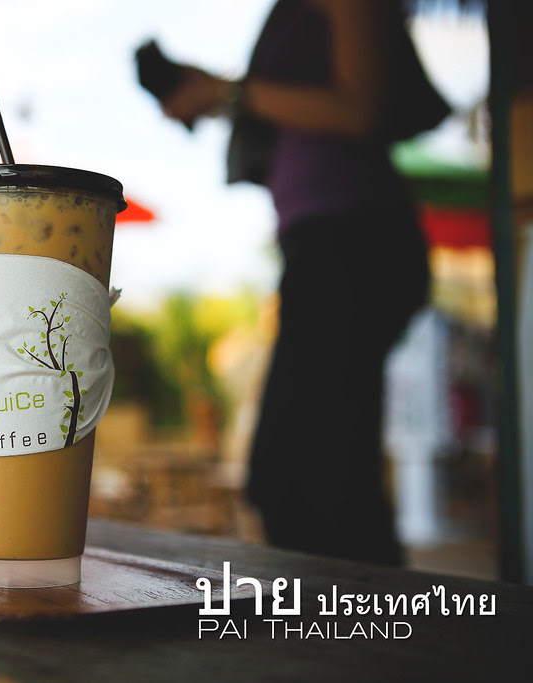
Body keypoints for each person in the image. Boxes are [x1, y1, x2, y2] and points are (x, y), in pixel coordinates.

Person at [155, 0, 448, 565]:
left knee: (310, 478)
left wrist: (230, 91)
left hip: (353, 243)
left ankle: (366, 615)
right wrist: (213, 96)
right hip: (324, 247)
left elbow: (359, 108)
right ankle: (365, 611)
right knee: (309, 475)